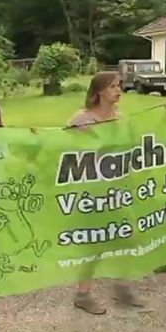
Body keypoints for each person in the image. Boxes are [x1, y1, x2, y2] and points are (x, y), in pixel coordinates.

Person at [67, 71, 146, 315]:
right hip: (93, 194)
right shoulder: (82, 119)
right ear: (99, 90)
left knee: (128, 237)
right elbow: (61, 149)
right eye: (113, 86)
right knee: (94, 244)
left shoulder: (121, 119)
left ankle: (122, 286)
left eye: (119, 86)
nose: (119, 90)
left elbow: (134, 149)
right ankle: (83, 294)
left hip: (120, 192)